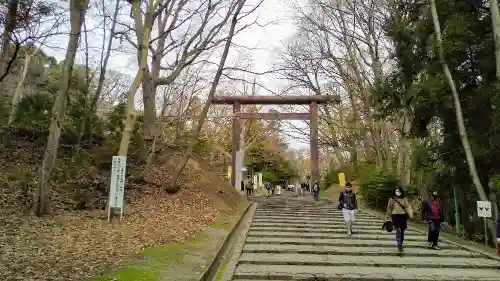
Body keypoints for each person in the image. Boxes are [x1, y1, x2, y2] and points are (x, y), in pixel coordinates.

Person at [386, 187, 414, 254]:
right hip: (395, 216)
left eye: (398, 191)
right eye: (396, 191)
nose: (397, 192)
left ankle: (401, 243)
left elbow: (407, 207)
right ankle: (399, 244)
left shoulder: (404, 199)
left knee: (402, 231)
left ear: (401, 192)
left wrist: (411, 214)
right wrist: (388, 217)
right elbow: (389, 208)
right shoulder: (392, 199)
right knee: (398, 229)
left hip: (403, 216)